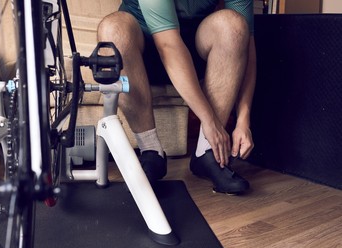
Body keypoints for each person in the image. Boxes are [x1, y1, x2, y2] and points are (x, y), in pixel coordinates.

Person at [97, 0, 256, 195]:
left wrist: (243, 120)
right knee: (112, 29)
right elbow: (167, 45)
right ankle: (151, 152)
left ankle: (207, 153)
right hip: (143, 49)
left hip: (191, 47)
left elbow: (248, 46)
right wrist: (208, 119)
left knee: (235, 26)